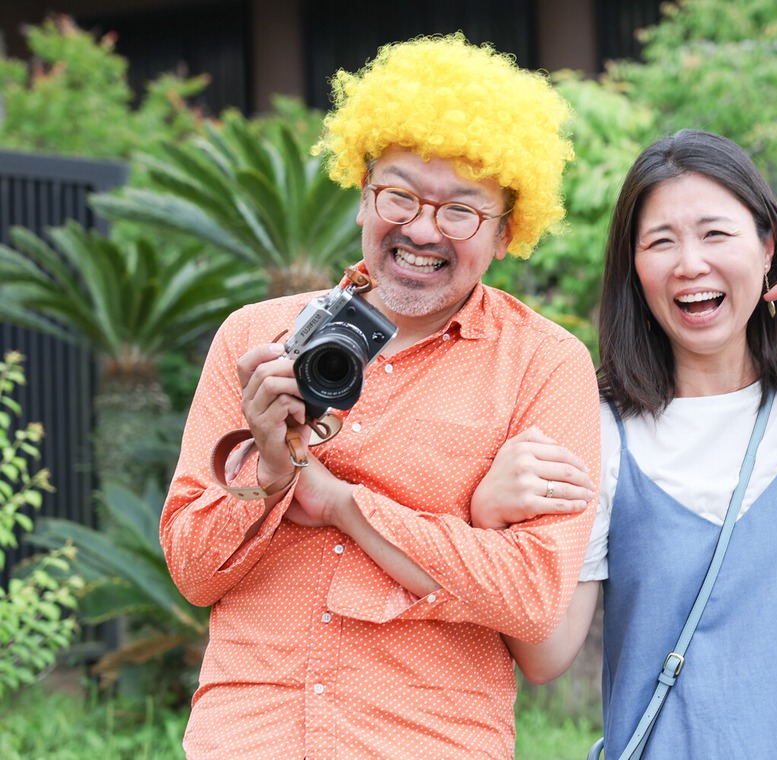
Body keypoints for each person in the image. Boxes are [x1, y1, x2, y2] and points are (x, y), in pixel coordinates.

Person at [160, 34, 602, 759]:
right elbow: (191, 570)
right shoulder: (259, 339)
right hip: (247, 739)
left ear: (505, 230)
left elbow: (533, 596)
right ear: (364, 194)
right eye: (399, 194)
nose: (422, 228)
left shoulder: (544, 365)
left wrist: (344, 505)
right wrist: (268, 475)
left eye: (461, 210)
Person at [474, 129, 777, 758]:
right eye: (660, 241)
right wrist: (492, 523)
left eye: (715, 233)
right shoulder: (598, 426)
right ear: (634, 270)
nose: (689, 263)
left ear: (767, 246)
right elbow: (548, 656)